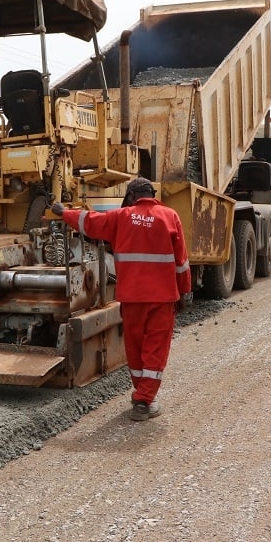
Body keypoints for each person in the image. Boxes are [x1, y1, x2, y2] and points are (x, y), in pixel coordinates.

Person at [51, 178, 192, 420]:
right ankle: (145, 400)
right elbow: (181, 262)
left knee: (135, 347)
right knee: (155, 348)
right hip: (162, 298)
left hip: (131, 297)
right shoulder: (170, 216)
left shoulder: (120, 217)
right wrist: (184, 292)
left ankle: (141, 394)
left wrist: (64, 213)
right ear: (152, 195)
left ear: (130, 197)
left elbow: (90, 222)